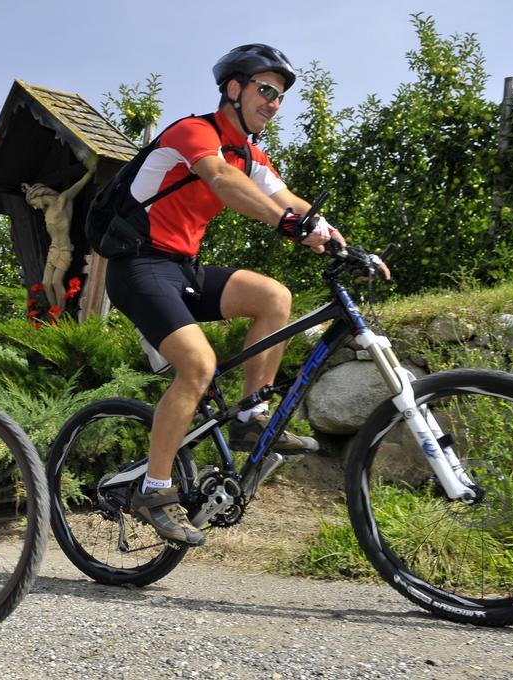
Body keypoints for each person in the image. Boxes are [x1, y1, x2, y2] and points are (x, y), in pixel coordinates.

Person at [105, 44, 390, 546]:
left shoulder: (251, 154)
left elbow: (288, 200)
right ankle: (156, 488)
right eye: (265, 90)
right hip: (137, 266)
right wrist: (286, 224)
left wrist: (345, 244)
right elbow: (221, 180)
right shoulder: (193, 133)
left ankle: (250, 417)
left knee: (273, 297)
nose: (273, 103)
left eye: (279, 97)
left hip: (182, 268)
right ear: (233, 89)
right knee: (198, 365)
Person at [22, 167, 94, 315]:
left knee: (56, 282)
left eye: (34, 203)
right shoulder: (46, 212)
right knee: (46, 284)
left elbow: (78, 185)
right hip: (53, 250)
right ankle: (54, 312)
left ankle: (60, 313)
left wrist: (91, 171)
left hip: (64, 249)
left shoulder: (62, 201)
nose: (35, 207)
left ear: (40, 195)